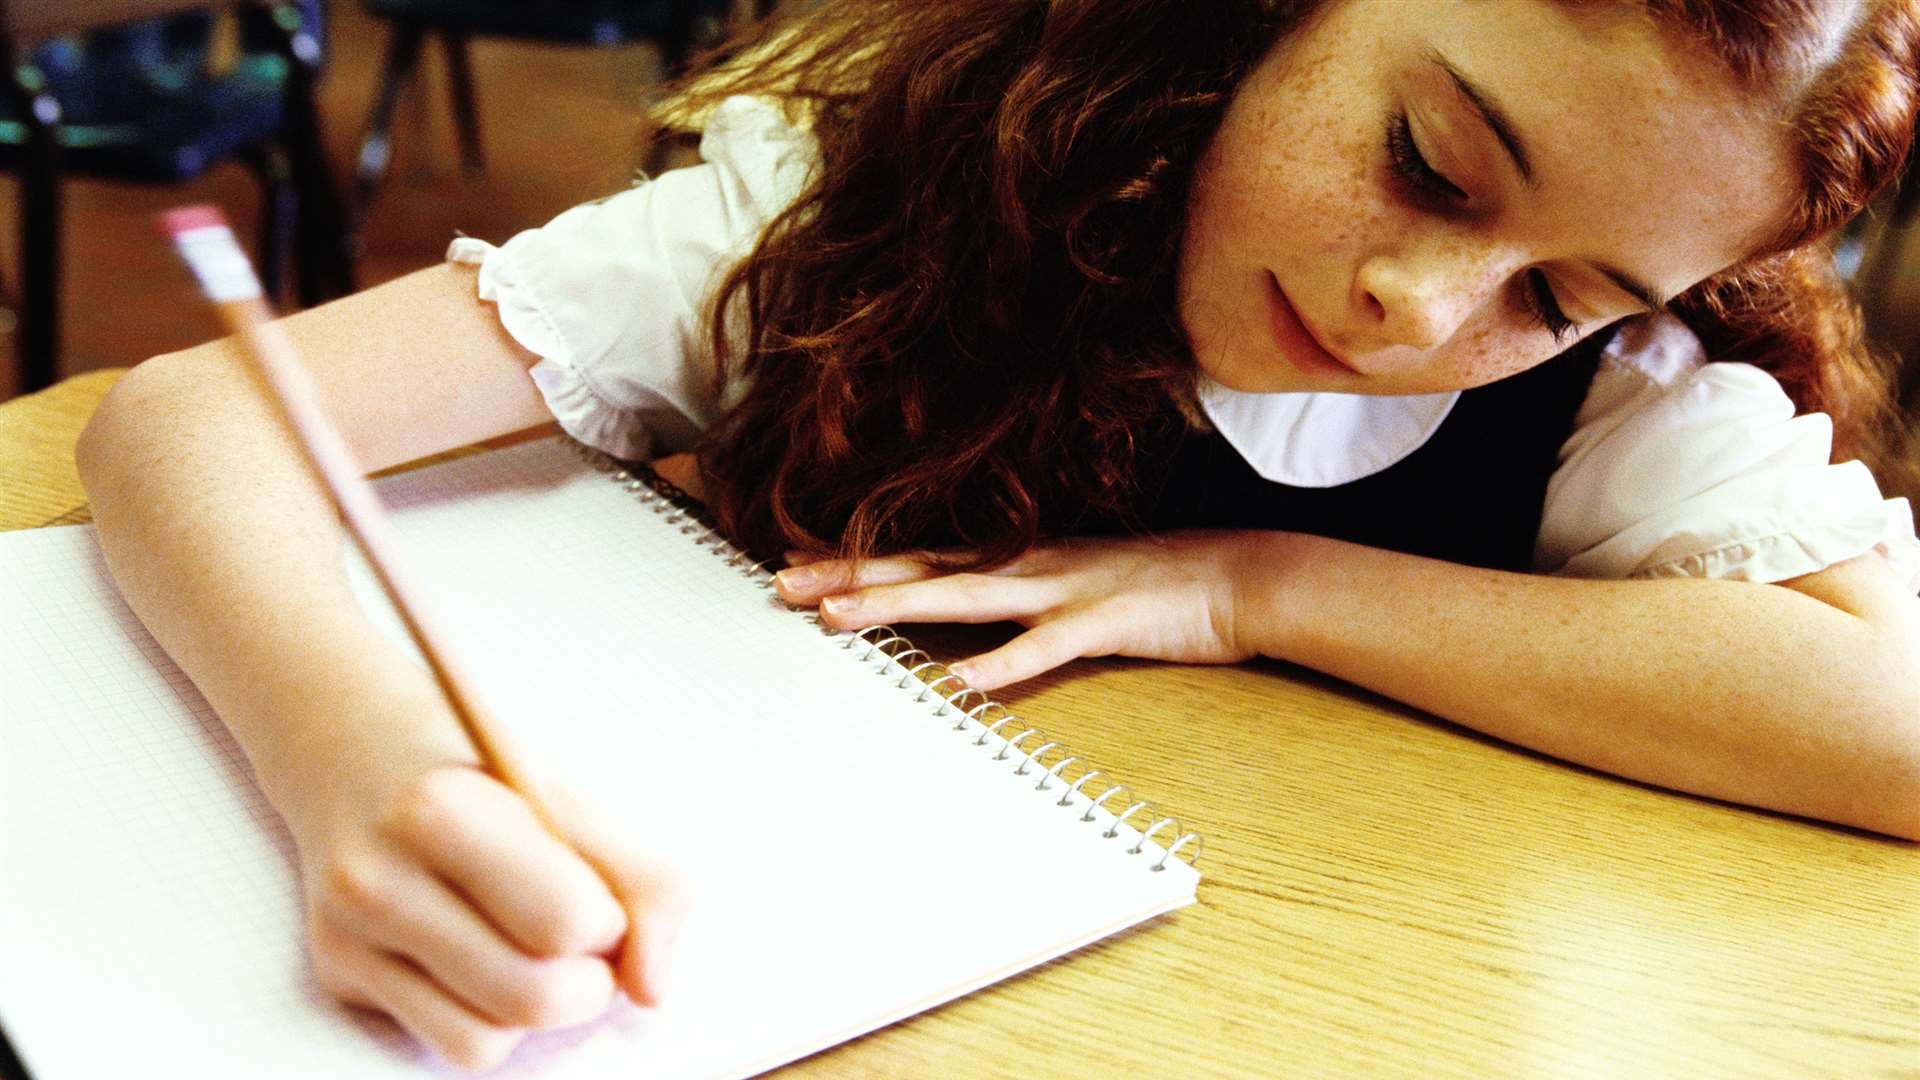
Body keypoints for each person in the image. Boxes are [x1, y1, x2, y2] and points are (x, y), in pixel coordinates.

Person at [74, 0, 1920, 1069]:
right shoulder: (837, 203)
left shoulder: (1627, 395)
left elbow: (1896, 728)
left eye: (1564, 291)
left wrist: (1260, 588)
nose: (1417, 310)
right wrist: (354, 762)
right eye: (1430, 164)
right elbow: (187, 417)